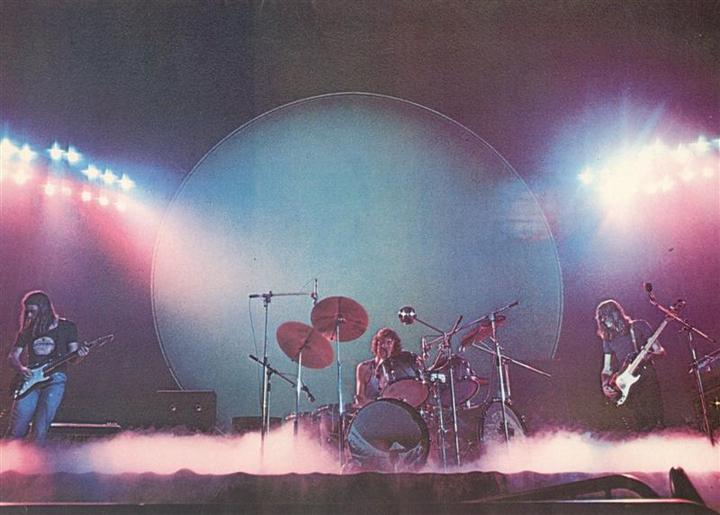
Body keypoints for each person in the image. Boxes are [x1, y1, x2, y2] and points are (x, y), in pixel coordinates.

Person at [5, 291, 88, 443]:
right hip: (30, 380)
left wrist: (81, 354)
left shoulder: (67, 327)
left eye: (33, 311)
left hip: (55, 379)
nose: (29, 315)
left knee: (40, 428)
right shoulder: (28, 330)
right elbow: (13, 356)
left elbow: (74, 358)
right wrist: (22, 369)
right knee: (17, 426)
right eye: (27, 312)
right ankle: (9, 455)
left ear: (44, 309)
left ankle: (34, 456)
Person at [595, 299, 665, 432]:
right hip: (627, 383)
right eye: (601, 318)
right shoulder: (608, 339)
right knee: (640, 426)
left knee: (655, 422)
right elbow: (606, 369)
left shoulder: (639, 326)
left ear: (616, 314)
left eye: (605, 316)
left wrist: (650, 355)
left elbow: (660, 351)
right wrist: (604, 385)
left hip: (647, 377)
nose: (603, 320)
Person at [354, 327, 404, 408]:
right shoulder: (364, 367)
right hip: (369, 411)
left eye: (389, 343)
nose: (384, 346)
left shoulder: (397, 370)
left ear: (394, 346)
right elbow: (360, 399)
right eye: (381, 342)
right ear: (376, 344)